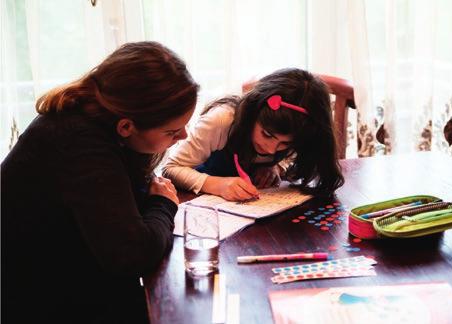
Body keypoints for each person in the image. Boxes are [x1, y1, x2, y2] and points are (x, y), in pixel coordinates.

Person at [1, 41, 198, 323]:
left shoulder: (96, 123)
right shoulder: (79, 143)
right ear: (126, 126)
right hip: (35, 296)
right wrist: (162, 204)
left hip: (68, 271)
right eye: (172, 131)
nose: (183, 138)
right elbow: (132, 255)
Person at [163, 68, 344, 201]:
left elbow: (292, 159)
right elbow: (170, 168)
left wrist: (277, 166)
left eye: (285, 144)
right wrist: (216, 184)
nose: (271, 149)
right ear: (252, 111)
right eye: (267, 134)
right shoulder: (222, 121)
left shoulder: (299, 134)